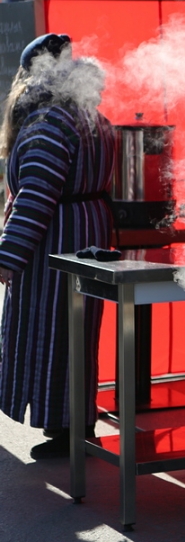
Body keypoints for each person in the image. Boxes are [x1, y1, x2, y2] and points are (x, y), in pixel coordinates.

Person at [0, 33, 117, 460]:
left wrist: (8, 257)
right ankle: (75, 421)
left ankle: (67, 430)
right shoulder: (92, 117)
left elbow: (35, 196)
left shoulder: (50, 122)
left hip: (57, 242)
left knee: (51, 332)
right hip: (88, 233)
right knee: (77, 332)